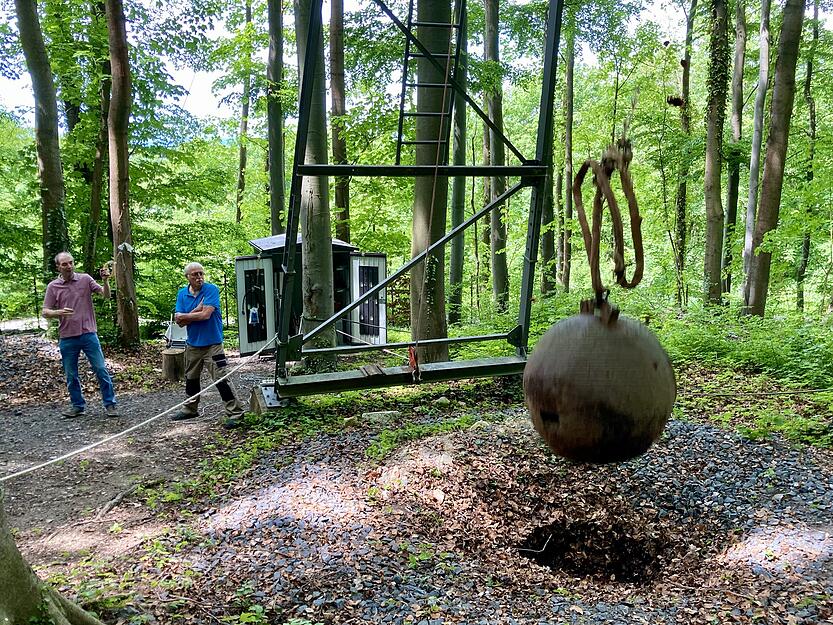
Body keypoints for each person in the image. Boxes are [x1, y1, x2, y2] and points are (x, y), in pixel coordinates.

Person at [42, 252, 118, 418]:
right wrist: (59, 312)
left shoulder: (85, 279)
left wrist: (105, 281)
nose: (68, 266)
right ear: (58, 267)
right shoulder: (53, 286)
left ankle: (110, 404)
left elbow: (105, 295)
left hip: (88, 333)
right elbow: (45, 312)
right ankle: (77, 406)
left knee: (100, 368)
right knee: (71, 374)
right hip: (67, 336)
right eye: (64, 264)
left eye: (70, 263)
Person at [173, 262, 244, 429]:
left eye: (201, 274)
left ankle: (236, 413)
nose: (199, 277)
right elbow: (178, 322)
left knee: (221, 379)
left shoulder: (211, 289)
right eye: (195, 275)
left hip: (213, 344)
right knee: (191, 378)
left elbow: (205, 315)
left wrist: (186, 315)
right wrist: (193, 312)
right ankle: (190, 409)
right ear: (187, 277)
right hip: (193, 344)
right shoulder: (182, 294)